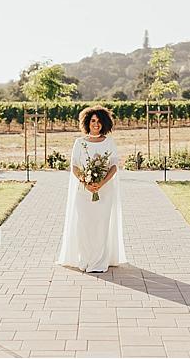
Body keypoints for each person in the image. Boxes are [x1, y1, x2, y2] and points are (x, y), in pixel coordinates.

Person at [57, 105, 127, 273]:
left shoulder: (109, 142)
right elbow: (74, 166)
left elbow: (114, 166)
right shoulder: (79, 143)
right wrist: (86, 182)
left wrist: (101, 183)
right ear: (87, 123)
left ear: (104, 123)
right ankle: (86, 259)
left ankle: (99, 262)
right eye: (93, 121)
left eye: (99, 121)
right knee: (84, 225)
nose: (96, 124)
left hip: (105, 191)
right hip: (83, 192)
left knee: (101, 224)